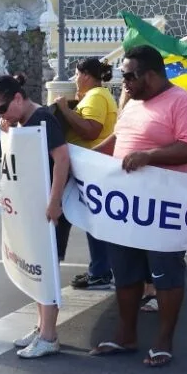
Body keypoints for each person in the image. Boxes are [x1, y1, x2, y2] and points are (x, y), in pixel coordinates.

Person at [88, 45, 187, 367]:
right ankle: (126, 336)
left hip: (165, 209)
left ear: (151, 75)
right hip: (127, 208)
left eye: (129, 76)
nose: (123, 81)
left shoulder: (184, 104)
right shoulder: (131, 104)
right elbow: (117, 140)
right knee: (125, 273)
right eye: (123, 75)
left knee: (165, 274)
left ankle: (163, 341)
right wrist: (82, 158)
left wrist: (150, 157)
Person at [0, 74, 71, 358]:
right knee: (36, 266)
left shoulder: (43, 120)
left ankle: (49, 335)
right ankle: (41, 327)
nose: (0, 115)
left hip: (47, 206)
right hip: (32, 206)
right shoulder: (23, 122)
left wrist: (54, 201)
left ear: (19, 98)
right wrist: (8, 127)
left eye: (2, 109)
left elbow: (62, 158)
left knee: (45, 269)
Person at [56, 57, 119, 291]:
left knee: (93, 220)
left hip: (91, 167)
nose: (74, 79)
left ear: (85, 74)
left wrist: (64, 109)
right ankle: (99, 270)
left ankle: (101, 272)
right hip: (89, 167)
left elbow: (92, 131)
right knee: (90, 219)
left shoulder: (97, 96)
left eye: (76, 74)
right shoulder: (95, 97)